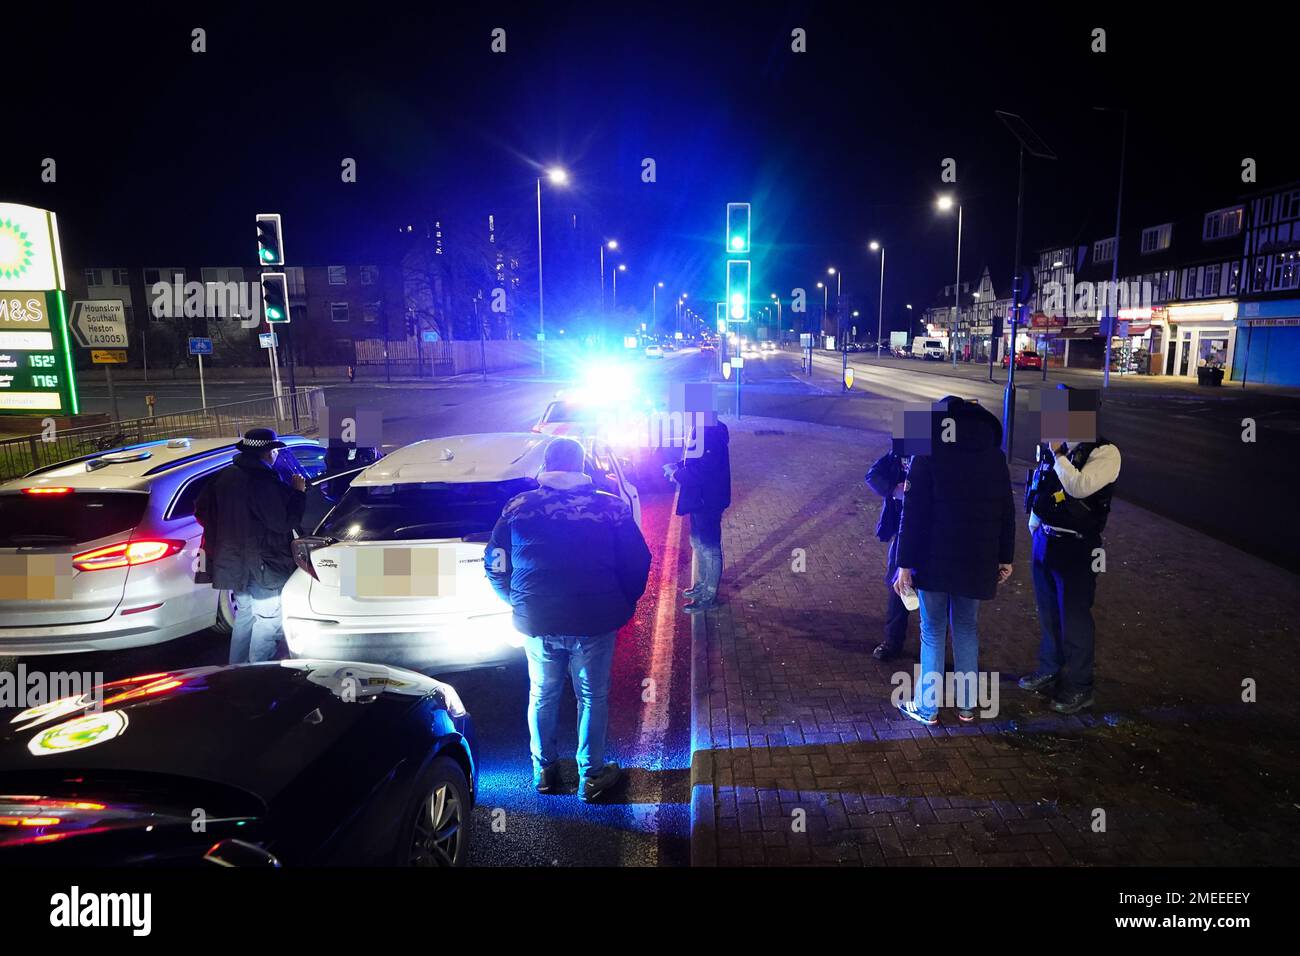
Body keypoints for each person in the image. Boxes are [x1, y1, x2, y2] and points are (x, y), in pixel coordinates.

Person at [485, 437, 651, 802]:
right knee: (592, 696)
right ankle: (591, 776)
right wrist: (623, 603)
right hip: (595, 621)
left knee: (542, 695)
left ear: (546, 465)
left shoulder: (517, 507)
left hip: (537, 622)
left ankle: (544, 771)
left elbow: (495, 563)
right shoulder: (611, 508)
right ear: (581, 465)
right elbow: (638, 561)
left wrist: (518, 601)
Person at [893, 396, 1015, 725]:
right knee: (966, 629)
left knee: (932, 631)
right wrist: (1006, 556)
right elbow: (1006, 510)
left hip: (934, 559)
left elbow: (913, 514)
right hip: (977, 559)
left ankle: (927, 706)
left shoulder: (928, 453)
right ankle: (966, 706)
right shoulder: (994, 457)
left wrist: (904, 563)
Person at [1019, 386, 1121, 714]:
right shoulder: (1056, 450)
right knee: (1047, 612)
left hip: (1078, 547)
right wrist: (1035, 522)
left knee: (1074, 617)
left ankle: (1080, 686)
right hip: (1046, 541)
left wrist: (1059, 455)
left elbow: (1078, 486)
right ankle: (1049, 668)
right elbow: (1043, 485)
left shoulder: (1105, 453)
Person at [195, 427, 307, 664]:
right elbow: (282, 522)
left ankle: (235, 673)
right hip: (263, 565)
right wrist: (298, 494)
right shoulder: (264, 483)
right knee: (268, 621)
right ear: (268, 454)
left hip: (233, 562)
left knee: (245, 616)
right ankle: (257, 676)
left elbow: (202, 511)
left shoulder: (224, 477)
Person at [666, 419, 731, 612]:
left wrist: (676, 474)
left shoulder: (709, 432)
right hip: (699, 498)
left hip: (708, 500)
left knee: (709, 547)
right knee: (698, 543)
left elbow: (704, 470)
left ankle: (709, 597)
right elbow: (696, 460)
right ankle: (702, 586)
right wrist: (677, 465)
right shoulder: (702, 427)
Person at [865, 448, 910, 660]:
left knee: (934, 591)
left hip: (930, 527)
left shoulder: (939, 449)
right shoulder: (898, 452)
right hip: (902, 526)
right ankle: (893, 642)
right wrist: (894, 489)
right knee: (897, 584)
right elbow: (873, 474)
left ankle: (933, 646)